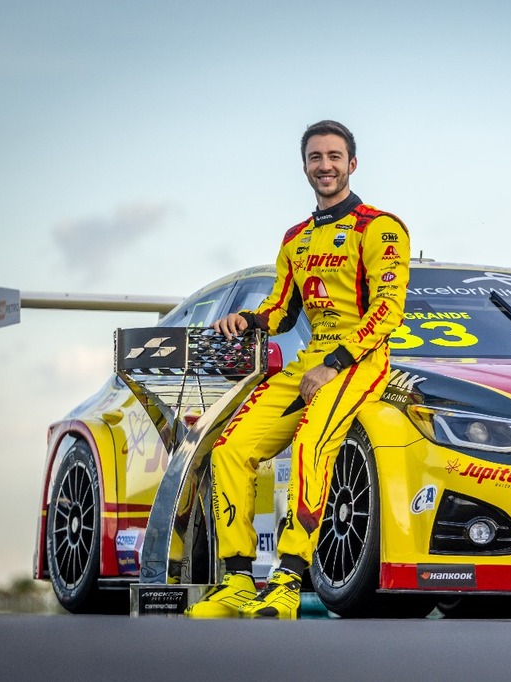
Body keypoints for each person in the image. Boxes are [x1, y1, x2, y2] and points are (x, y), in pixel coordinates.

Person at [186, 120, 410, 619]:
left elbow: (388, 311)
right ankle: (240, 581)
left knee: (313, 442)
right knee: (230, 449)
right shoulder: (296, 238)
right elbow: (283, 310)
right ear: (305, 166)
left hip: (360, 360)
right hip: (308, 361)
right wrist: (248, 319)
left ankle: (288, 580)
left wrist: (334, 365)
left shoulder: (381, 228)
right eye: (315, 157)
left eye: (334, 156)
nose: (325, 166)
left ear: (352, 164)